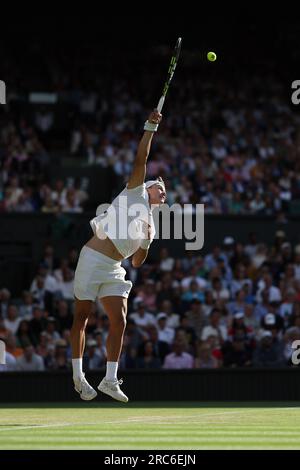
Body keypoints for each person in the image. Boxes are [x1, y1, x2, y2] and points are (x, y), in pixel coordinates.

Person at [70, 109, 165, 402]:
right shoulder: (134, 191)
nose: (164, 193)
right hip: (92, 258)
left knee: (120, 320)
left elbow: (136, 262)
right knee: (82, 318)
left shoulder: (151, 225)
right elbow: (142, 159)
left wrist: (147, 244)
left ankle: (110, 380)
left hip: (114, 268)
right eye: (160, 188)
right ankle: (78, 376)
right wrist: (150, 127)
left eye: (165, 192)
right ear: (147, 188)